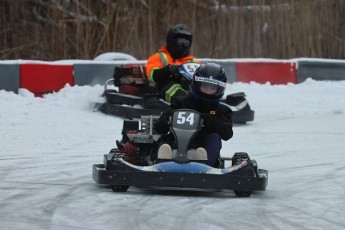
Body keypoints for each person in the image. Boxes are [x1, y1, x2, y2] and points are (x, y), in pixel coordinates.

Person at [155, 63, 233, 167]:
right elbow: (159, 127)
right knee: (165, 138)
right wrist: (167, 119)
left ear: (219, 89)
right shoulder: (182, 102)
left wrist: (211, 121)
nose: (208, 91)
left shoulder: (222, 110)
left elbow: (227, 134)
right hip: (176, 142)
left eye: (212, 88)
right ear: (197, 84)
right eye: (205, 86)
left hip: (203, 145)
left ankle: (202, 162)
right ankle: (163, 158)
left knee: (214, 137)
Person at [146, 24, 200, 104]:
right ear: (172, 41)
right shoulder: (158, 57)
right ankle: (185, 102)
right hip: (164, 89)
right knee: (174, 88)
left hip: (189, 89)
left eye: (185, 43)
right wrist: (169, 70)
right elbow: (152, 76)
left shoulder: (193, 61)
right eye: (181, 42)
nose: (183, 45)